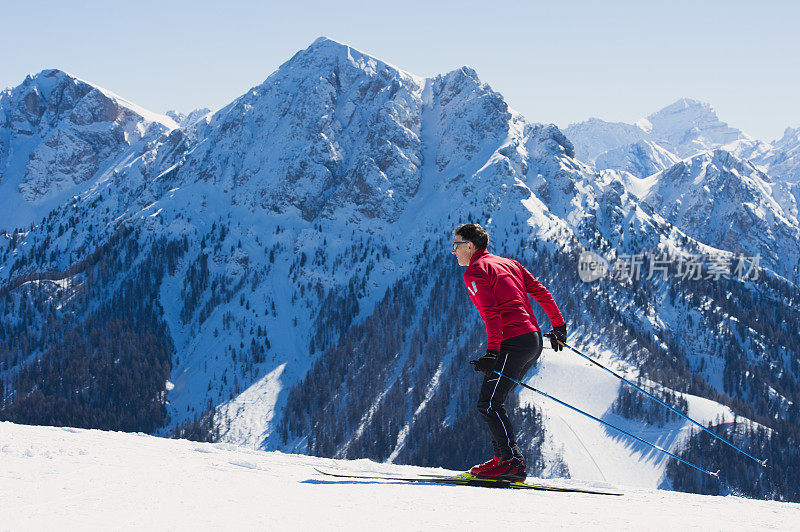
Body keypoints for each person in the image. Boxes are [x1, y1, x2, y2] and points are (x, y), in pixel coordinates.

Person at [451, 223, 567, 481]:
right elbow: (540, 291)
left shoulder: (475, 271)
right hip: (532, 340)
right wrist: (559, 326)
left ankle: (511, 463)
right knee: (494, 401)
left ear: (470, 246)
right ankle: (502, 459)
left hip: (512, 341)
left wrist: (492, 352)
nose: (453, 250)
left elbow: (492, 315)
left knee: (489, 403)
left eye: (457, 244)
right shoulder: (510, 264)